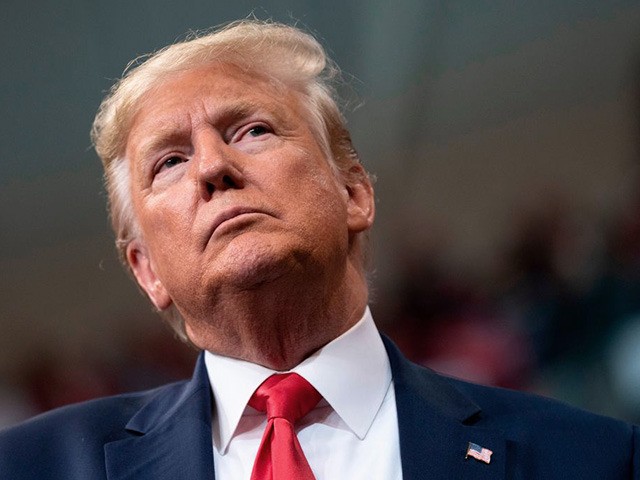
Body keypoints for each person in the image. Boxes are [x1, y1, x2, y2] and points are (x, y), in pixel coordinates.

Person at [0, 19, 638, 480]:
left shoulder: (592, 460)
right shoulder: (31, 467)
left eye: (251, 130)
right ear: (146, 271)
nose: (212, 169)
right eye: (169, 161)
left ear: (354, 191)